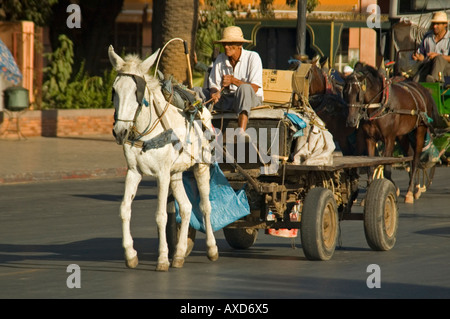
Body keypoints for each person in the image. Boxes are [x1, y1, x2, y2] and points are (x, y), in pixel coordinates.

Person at [208, 26, 264, 136]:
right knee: (199, 92)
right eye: (224, 44)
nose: (226, 47)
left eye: (230, 44)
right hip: (229, 100)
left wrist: (234, 81)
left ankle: (241, 131)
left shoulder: (253, 57)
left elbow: (254, 88)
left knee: (244, 88)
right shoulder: (220, 59)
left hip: (251, 100)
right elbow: (214, 84)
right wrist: (214, 92)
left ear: (240, 45)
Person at [412, 11, 450, 83]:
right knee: (416, 79)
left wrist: (438, 56)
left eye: (438, 24)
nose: (435, 26)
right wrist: (418, 57)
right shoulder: (427, 36)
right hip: (428, 66)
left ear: (445, 24)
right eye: (434, 24)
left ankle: (434, 81)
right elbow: (422, 55)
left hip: (446, 69)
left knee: (438, 59)